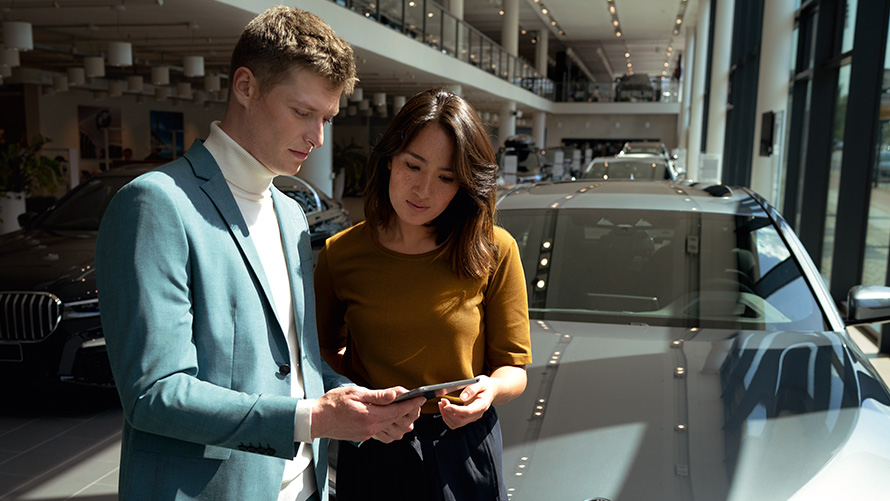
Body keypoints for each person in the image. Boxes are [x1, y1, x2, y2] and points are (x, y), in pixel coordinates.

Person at [95, 7, 424, 501]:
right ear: (245, 87)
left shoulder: (291, 215)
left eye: (326, 119)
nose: (317, 137)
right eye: (302, 112)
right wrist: (311, 418)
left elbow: (293, 362)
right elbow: (154, 394)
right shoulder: (157, 204)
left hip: (307, 488)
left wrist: (343, 396)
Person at [314, 88, 533, 500]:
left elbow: (514, 368)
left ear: (465, 184)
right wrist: (358, 399)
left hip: (464, 445)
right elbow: (322, 352)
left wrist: (489, 390)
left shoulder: (494, 249)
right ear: (389, 161)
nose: (423, 189)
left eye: (447, 177)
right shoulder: (341, 254)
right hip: (374, 445)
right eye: (413, 166)